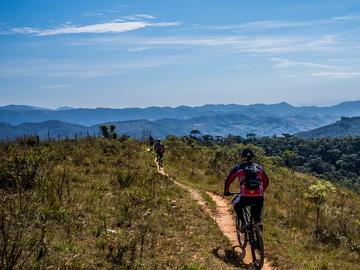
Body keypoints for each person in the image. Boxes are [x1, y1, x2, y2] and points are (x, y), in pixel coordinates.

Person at [224, 148, 269, 232]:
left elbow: (229, 180)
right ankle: (258, 223)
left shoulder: (238, 168)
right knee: (257, 213)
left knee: (237, 205)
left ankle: (244, 222)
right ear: (252, 157)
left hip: (245, 196)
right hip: (259, 197)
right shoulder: (259, 167)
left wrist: (226, 191)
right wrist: (261, 191)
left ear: (242, 157)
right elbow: (266, 181)